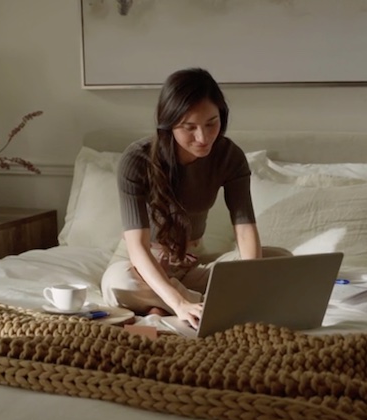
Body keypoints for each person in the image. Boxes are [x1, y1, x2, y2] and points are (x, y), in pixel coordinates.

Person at [101, 67, 290, 328]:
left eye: (211, 123)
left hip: (191, 267)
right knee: (118, 283)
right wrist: (178, 302)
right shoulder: (136, 159)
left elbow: (245, 229)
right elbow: (138, 247)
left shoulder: (229, 156)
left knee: (282, 259)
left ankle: (174, 304)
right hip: (139, 267)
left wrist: (250, 283)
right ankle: (202, 304)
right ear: (168, 124)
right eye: (189, 127)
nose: (203, 138)